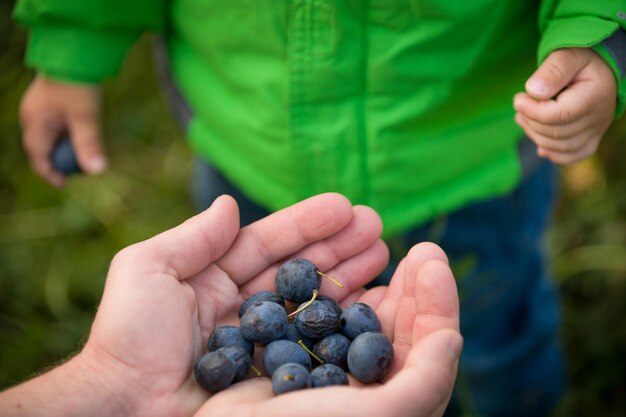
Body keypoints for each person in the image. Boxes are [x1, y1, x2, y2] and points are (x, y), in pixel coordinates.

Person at [12, 1, 626, 416]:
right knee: (261, 269)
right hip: (252, 154)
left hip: (472, 167)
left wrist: (598, 37)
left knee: (497, 327)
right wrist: (73, 36)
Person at [0, 193, 462, 417]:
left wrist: (114, 383)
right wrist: (114, 381)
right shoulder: (264, 328)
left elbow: (305, 342)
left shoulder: (297, 328)